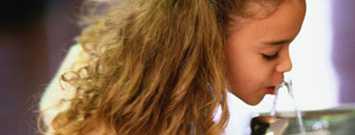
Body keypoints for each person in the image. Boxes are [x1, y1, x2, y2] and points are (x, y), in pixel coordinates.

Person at [39, 0, 306, 134]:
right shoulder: (125, 108)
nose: (287, 64)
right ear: (209, 38)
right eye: (270, 53)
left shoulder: (181, 84)